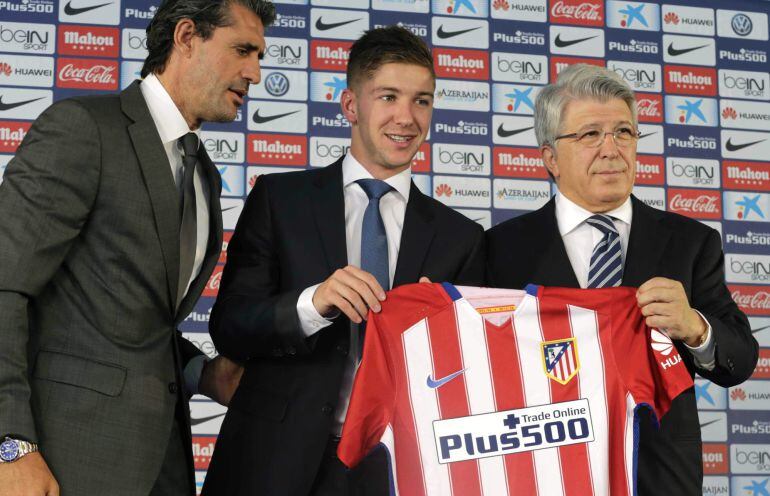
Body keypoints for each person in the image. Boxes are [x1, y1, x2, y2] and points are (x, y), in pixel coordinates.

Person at [0, 1, 275, 495]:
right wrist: (11, 445)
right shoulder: (84, 129)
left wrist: (203, 373)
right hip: (64, 462)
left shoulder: (205, 176)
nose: (254, 72)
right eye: (242, 50)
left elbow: (135, 319)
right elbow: (4, 287)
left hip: (161, 461)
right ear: (187, 37)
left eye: (258, 55)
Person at [202, 25, 485, 496]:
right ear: (351, 105)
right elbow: (230, 325)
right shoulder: (280, 199)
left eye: (422, 100)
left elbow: (471, 373)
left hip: (398, 471)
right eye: (389, 96)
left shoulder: (462, 238)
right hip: (271, 464)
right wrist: (313, 303)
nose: (407, 117)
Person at [486, 64, 757, 495]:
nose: (611, 149)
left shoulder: (691, 242)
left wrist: (694, 327)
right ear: (550, 158)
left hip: (658, 474)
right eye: (590, 134)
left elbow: (740, 359)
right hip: (542, 472)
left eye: (624, 133)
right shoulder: (498, 250)